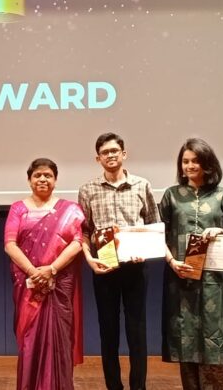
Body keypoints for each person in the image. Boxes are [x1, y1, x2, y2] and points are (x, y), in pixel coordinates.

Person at [78, 132, 160, 390]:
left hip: (136, 265)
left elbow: (153, 224)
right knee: (108, 330)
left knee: (137, 330)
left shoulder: (141, 185)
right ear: (97, 158)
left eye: (115, 151)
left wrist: (145, 250)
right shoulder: (87, 190)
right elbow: (84, 231)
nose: (110, 155)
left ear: (124, 154)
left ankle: (139, 386)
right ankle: (113, 386)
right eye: (105, 152)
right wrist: (89, 259)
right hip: (104, 266)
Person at [158, 138, 223, 390]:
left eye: (195, 161)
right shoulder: (171, 195)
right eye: (185, 161)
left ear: (207, 163)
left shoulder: (222, 195)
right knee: (186, 341)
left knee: (215, 339)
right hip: (180, 278)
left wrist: (220, 232)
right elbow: (160, 235)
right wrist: (172, 262)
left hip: (214, 280)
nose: (190, 165)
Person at [4, 158, 85, 390]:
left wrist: (52, 269)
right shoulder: (18, 208)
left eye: (48, 175)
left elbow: (78, 242)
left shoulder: (70, 209)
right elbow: (10, 244)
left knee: (59, 339)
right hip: (28, 285)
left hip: (59, 283)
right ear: (29, 180)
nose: (42, 179)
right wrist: (34, 272)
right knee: (30, 340)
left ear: (55, 180)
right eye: (37, 175)